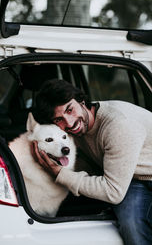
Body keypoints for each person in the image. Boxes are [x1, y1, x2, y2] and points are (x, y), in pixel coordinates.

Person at [32, 78, 152, 245]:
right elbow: (89, 163)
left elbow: (113, 192)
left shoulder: (118, 126)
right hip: (129, 176)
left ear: (82, 101)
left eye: (69, 109)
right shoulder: (75, 129)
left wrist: (60, 174)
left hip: (146, 177)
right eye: (58, 119)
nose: (70, 123)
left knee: (132, 222)